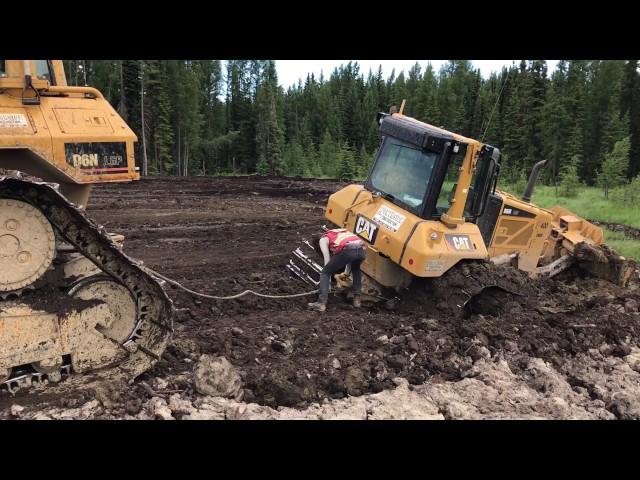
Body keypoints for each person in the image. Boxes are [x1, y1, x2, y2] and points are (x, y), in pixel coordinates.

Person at [307, 228, 367, 312]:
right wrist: (345, 275)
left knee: (325, 272)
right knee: (356, 269)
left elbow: (327, 262)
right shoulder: (339, 232)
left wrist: (328, 285)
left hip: (347, 250)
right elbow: (351, 256)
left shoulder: (323, 239)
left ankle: (321, 303)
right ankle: (357, 301)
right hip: (361, 250)